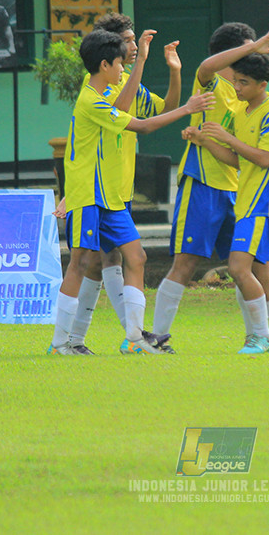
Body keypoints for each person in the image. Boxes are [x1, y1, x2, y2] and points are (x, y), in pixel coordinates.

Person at [48, 29, 214, 355]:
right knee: (80, 263)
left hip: (111, 196)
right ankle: (61, 343)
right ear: (105, 64)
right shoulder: (90, 100)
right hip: (88, 195)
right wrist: (188, 108)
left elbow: (146, 110)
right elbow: (141, 125)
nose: (123, 68)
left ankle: (135, 338)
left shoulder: (108, 92)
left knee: (136, 257)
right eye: (120, 63)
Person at [151, 22, 269, 350]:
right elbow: (204, 66)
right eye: (246, 49)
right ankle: (157, 339)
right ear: (229, 54)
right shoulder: (212, 82)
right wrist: (257, 43)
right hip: (202, 183)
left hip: (238, 190)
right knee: (185, 263)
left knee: (252, 266)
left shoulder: (245, 93)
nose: (254, 53)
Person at [184, 52, 269, 353]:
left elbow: (263, 159)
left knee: (238, 267)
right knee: (262, 271)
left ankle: (261, 335)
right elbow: (238, 160)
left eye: (244, 83)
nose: (236, 88)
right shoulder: (242, 112)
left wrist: (227, 136)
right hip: (248, 203)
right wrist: (206, 141)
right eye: (235, 81)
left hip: (261, 204)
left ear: (262, 84)